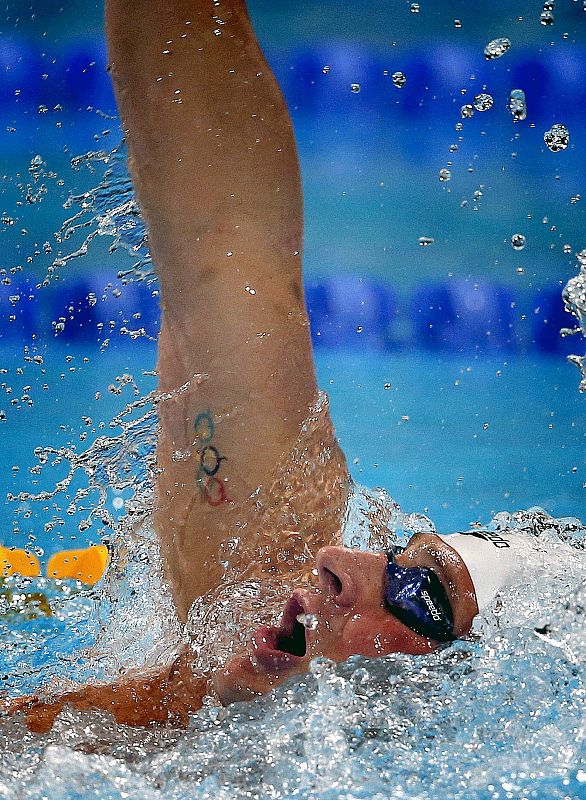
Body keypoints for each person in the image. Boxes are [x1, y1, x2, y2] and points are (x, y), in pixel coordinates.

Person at [1, 0, 531, 732]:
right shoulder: (261, 553)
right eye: (396, 556)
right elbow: (223, 240)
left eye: (421, 596)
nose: (340, 559)